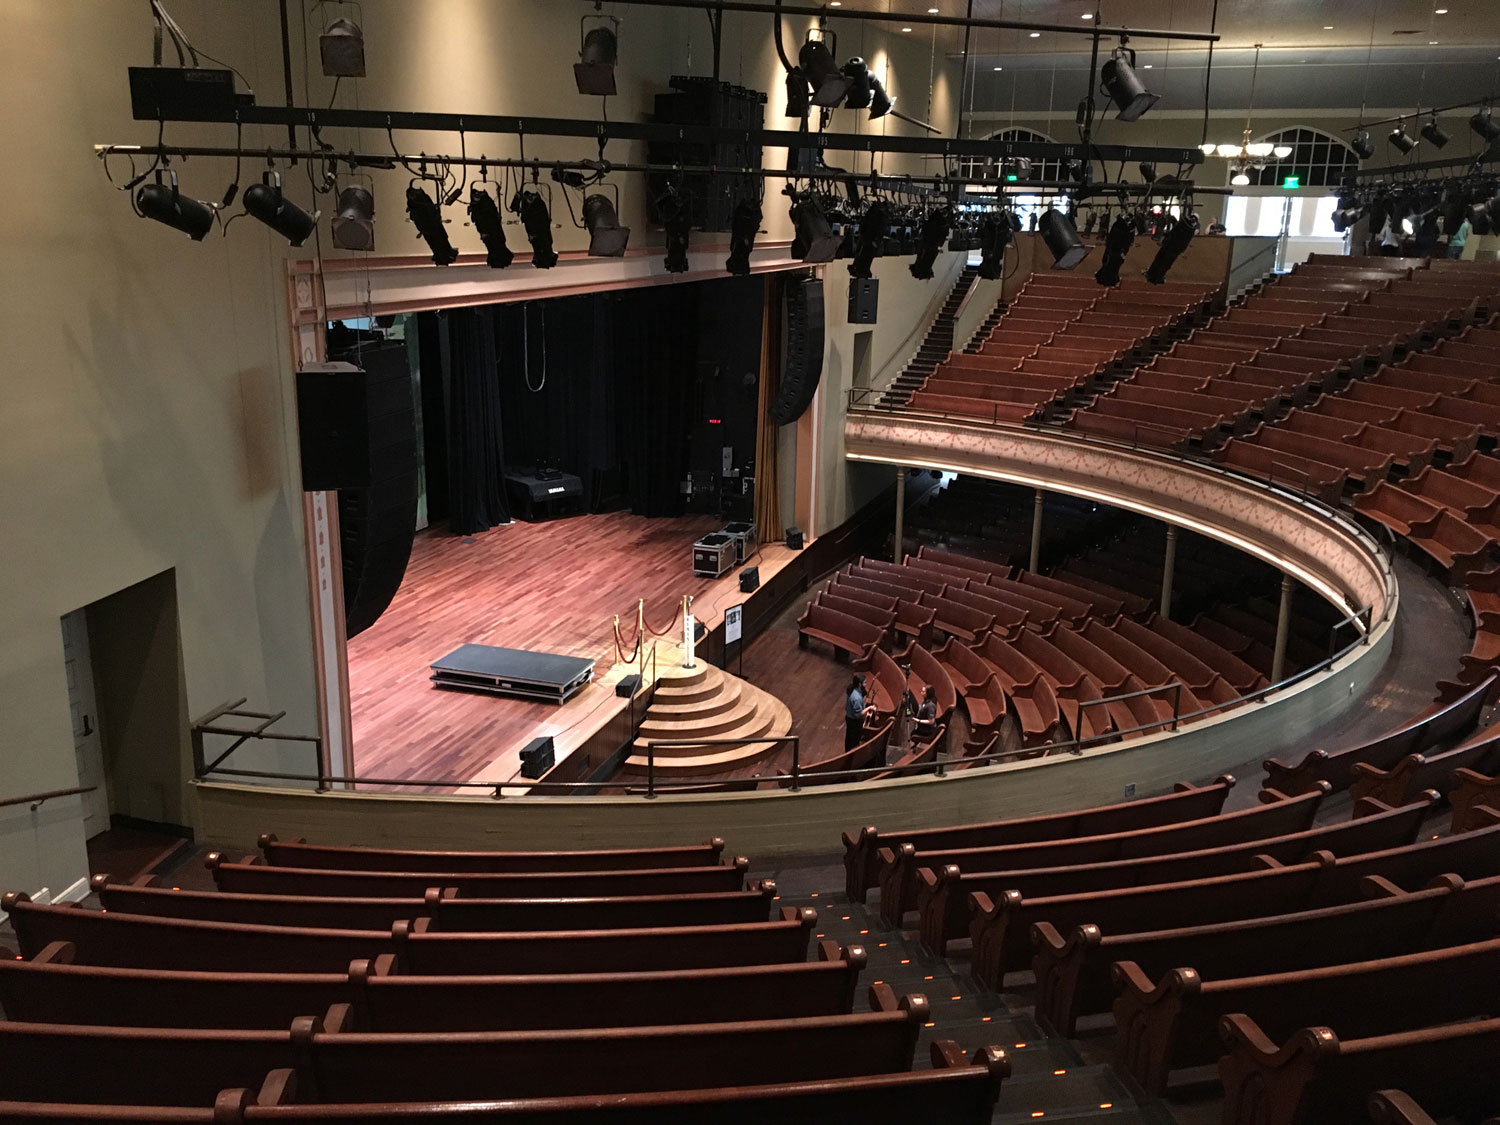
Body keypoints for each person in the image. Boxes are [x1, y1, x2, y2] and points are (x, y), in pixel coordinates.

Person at [845, 674, 876, 750]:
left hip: (849, 718)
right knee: (854, 741)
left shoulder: (853, 690)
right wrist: (869, 708)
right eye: (865, 683)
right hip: (854, 722)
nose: (866, 685)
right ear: (859, 684)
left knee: (849, 738)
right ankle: (851, 756)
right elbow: (858, 714)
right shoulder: (856, 698)